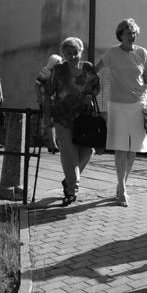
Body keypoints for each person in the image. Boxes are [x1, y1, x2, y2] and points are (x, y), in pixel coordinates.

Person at [95, 18, 147, 207]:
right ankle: (122, 188)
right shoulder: (112, 53)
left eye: (134, 33)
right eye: (129, 33)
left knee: (133, 148)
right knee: (120, 147)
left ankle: (122, 186)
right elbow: (94, 71)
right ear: (120, 35)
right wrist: (92, 88)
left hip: (138, 105)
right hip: (118, 106)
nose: (132, 36)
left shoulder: (142, 53)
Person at [43, 37, 101, 206]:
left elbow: (97, 87)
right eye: (69, 53)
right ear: (64, 54)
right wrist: (46, 117)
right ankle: (71, 190)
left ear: (80, 51)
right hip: (63, 117)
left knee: (88, 151)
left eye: (75, 52)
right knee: (69, 154)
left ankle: (69, 180)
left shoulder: (88, 67)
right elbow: (48, 93)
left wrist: (90, 95)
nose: (73, 56)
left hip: (85, 117)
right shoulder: (59, 70)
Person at [35, 54, 62, 153]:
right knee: (49, 121)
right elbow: (37, 85)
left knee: (54, 122)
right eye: (58, 63)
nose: (60, 64)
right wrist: (39, 97)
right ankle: (52, 144)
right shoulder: (45, 71)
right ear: (53, 63)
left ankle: (53, 143)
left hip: (56, 100)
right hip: (46, 99)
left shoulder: (59, 73)